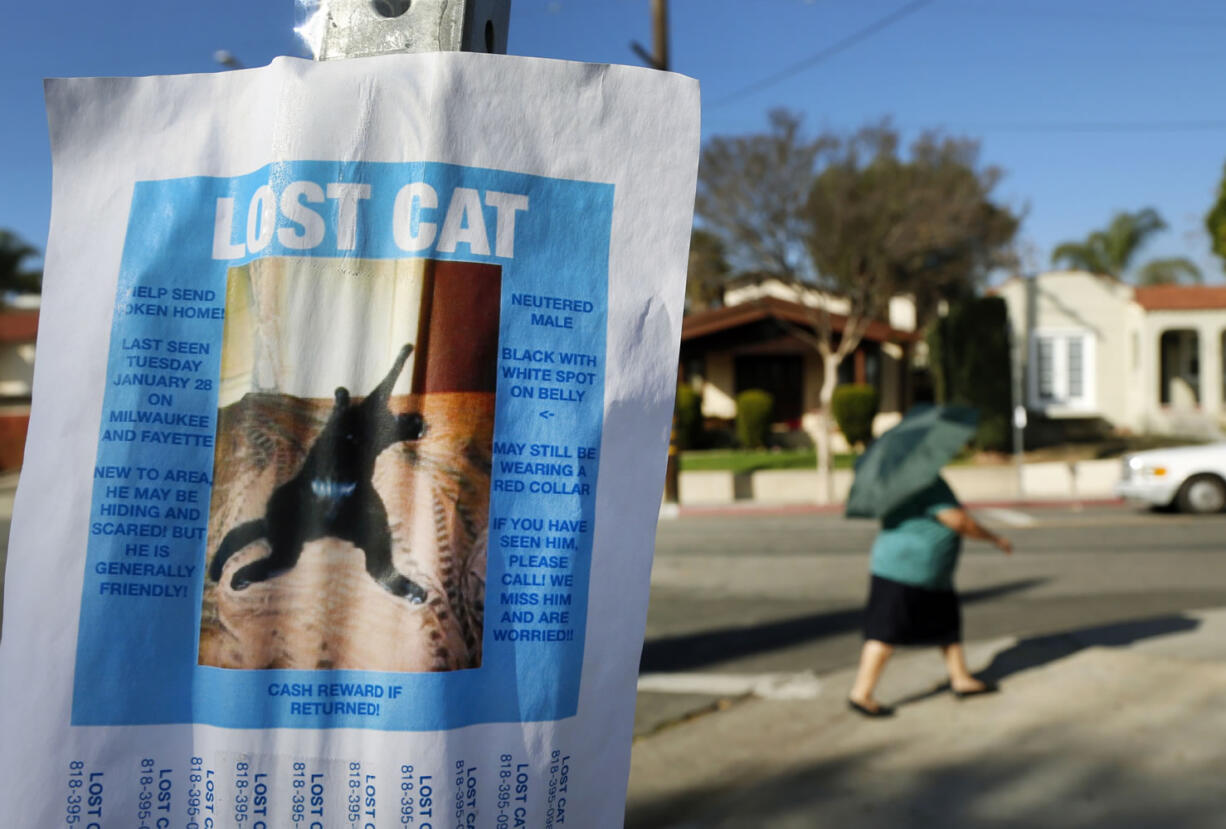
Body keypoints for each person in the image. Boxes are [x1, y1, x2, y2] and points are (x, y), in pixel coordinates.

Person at [847, 475, 1012, 717]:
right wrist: (995, 538)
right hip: (908, 570)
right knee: (885, 631)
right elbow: (957, 520)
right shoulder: (926, 481)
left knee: (946, 625)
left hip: (920, 571)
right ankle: (861, 694)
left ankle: (961, 678)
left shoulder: (893, 481)